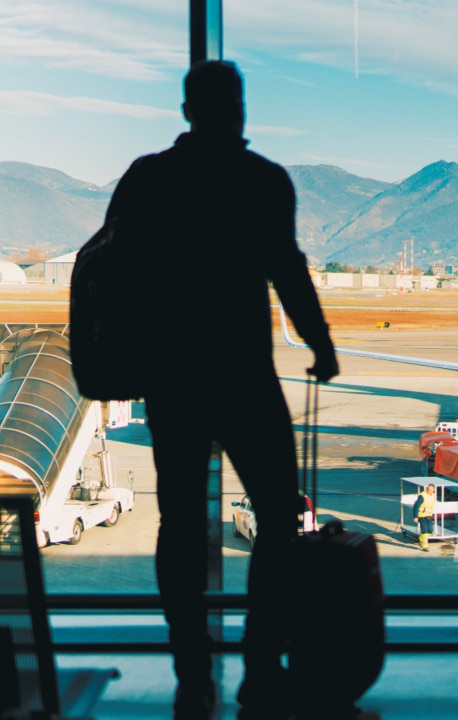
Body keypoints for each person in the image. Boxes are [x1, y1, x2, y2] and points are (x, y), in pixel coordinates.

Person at [103, 60, 339, 720]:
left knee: (179, 527)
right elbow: (287, 269)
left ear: (185, 110)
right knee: (278, 518)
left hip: (173, 380)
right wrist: (320, 344)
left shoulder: (147, 179)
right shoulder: (263, 181)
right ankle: (261, 664)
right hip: (244, 377)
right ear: (240, 110)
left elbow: (109, 273)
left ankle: (190, 670)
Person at [413, 484, 436, 549]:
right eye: (428, 489)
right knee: (425, 530)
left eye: (431, 489)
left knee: (430, 531)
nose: (430, 490)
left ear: (434, 490)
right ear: (426, 489)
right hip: (421, 516)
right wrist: (415, 516)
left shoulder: (433, 495)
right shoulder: (422, 496)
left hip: (428, 515)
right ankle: (424, 546)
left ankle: (421, 538)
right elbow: (416, 506)